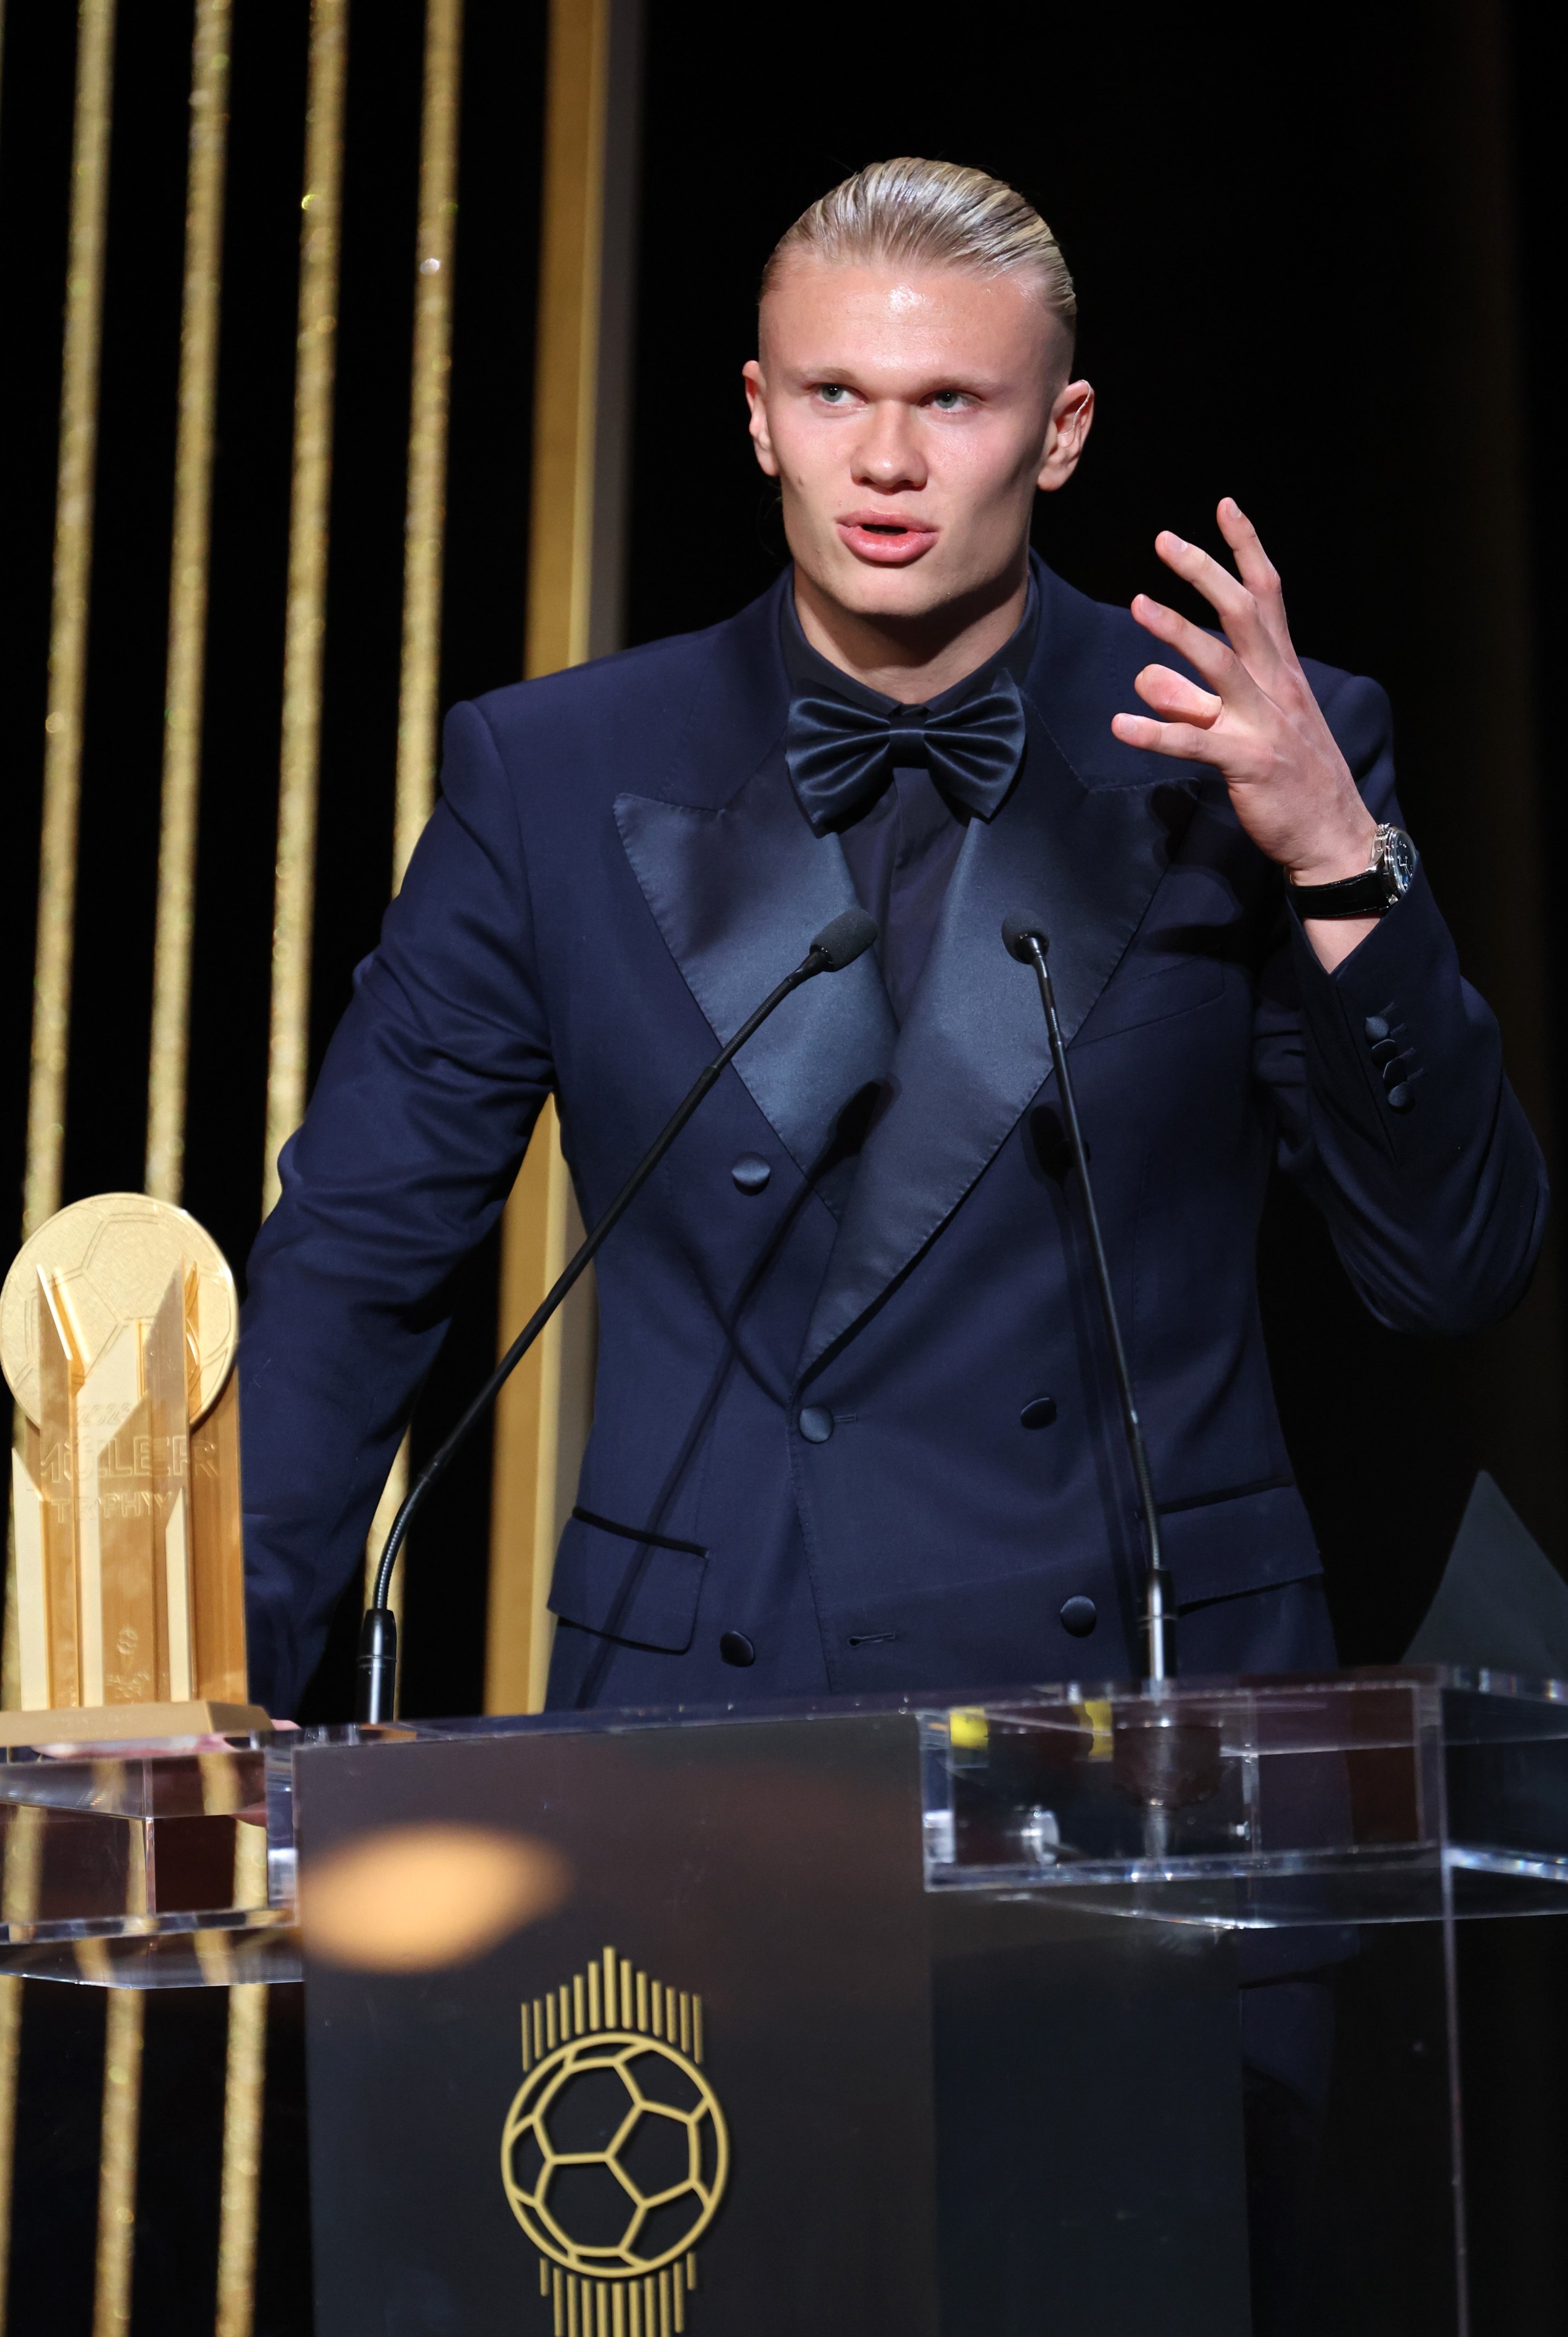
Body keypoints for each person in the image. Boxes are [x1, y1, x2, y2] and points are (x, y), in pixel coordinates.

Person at [238, 157, 1546, 1718]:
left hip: (1149, 1744)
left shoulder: (1250, 748)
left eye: (951, 403)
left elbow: (1454, 1268)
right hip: (702, 1744)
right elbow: (359, 1261)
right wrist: (199, 1693)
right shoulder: (556, 774)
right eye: (836, 392)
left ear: (1060, 434)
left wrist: (1341, 857)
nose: (885, 461)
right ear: (758, 413)